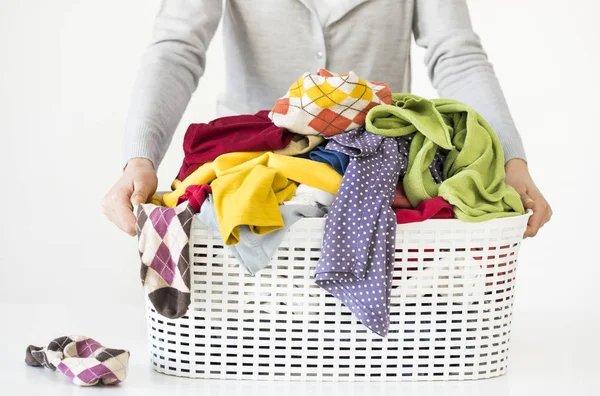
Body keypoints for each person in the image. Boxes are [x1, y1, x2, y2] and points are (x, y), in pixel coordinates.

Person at [102, 0, 551, 238]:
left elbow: (456, 54)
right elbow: (177, 47)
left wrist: (512, 161)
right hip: (246, 175)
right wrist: (139, 159)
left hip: (383, 178)